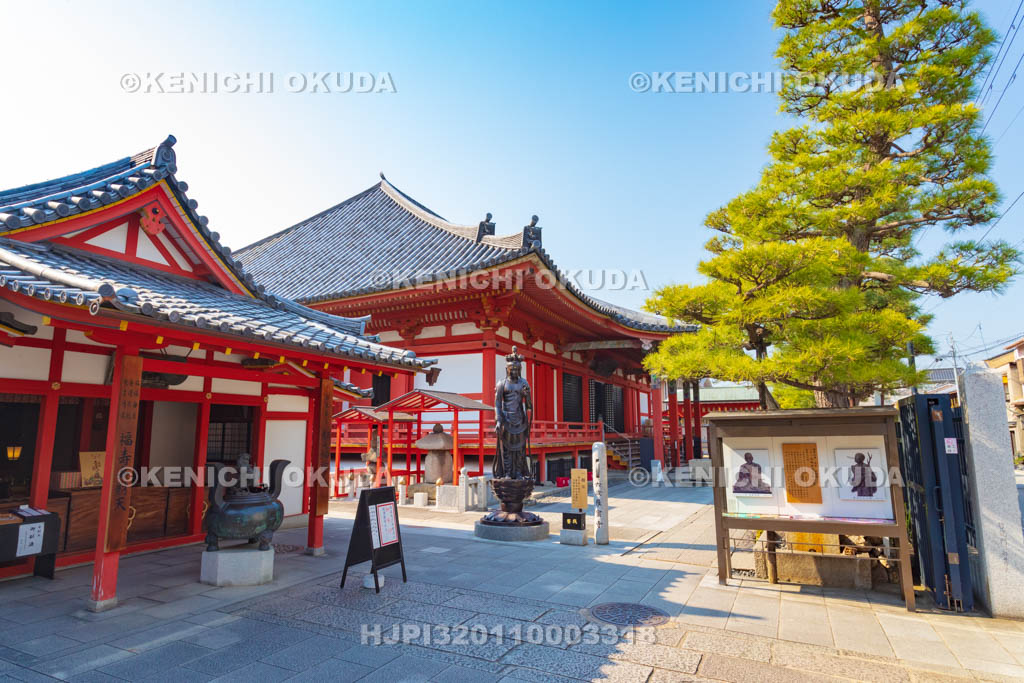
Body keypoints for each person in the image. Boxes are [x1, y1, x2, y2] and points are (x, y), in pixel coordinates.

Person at [493, 346, 532, 479]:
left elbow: (529, 406)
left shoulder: (524, 383)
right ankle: (508, 472)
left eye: (516, 369)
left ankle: (519, 472)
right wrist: (498, 420)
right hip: (507, 419)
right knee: (508, 449)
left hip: (520, 420)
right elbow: (498, 403)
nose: (514, 371)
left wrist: (527, 396)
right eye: (512, 369)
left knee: (520, 449)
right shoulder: (501, 384)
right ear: (507, 370)